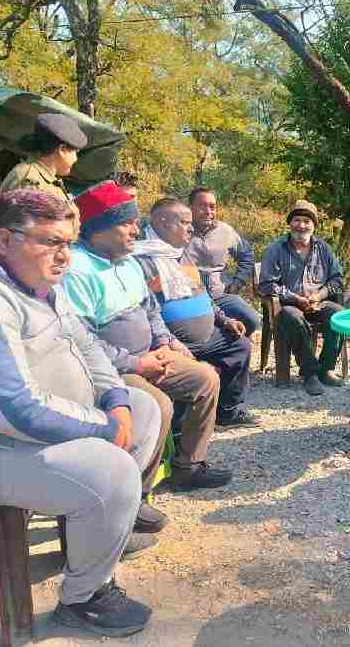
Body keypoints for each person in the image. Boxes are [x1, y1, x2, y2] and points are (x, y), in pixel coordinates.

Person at [0, 190, 160, 637]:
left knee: (143, 409)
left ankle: (89, 536)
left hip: (4, 434)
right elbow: (15, 409)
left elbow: (87, 345)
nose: (65, 256)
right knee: (112, 471)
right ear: (6, 240)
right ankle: (84, 598)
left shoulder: (33, 279)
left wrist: (116, 400)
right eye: (52, 242)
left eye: (69, 243)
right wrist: (104, 426)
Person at [62, 181, 233, 492]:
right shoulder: (78, 271)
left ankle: (189, 466)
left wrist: (166, 341)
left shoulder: (127, 262)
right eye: (127, 223)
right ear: (101, 229)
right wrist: (138, 364)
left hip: (152, 355)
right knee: (157, 405)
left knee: (206, 379)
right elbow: (83, 342)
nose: (136, 231)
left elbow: (151, 310)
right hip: (112, 369)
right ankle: (135, 494)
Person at [133, 198, 257, 427]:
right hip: (171, 342)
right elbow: (143, 312)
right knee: (185, 372)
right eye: (184, 222)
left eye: (190, 223)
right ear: (162, 222)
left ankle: (227, 412)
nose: (190, 228)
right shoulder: (140, 261)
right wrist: (169, 341)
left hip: (207, 337)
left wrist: (225, 319)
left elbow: (203, 296)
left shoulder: (182, 256)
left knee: (240, 346)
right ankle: (177, 428)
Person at [259, 199, 345, 396]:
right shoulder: (276, 249)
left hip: (317, 303)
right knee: (294, 317)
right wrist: (295, 299)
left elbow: (337, 279)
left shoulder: (323, 248)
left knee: (339, 316)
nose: (301, 225)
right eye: (297, 220)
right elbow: (266, 285)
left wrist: (319, 295)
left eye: (307, 221)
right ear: (290, 223)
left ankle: (325, 369)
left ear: (313, 225)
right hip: (288, 306)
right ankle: (310, 373)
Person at [183, 186, 261, 336]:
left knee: (252, 321)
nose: (208, 211)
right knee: (197, 330)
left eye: (212, 207)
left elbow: (246, 255)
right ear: (190, 208)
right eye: (202, 206)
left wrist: (237, 283)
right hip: (191, 297)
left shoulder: (225, 231)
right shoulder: (181, 230)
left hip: (220, 294)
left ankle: (229, 342)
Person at [0, 113, 86, 232]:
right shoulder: (31, 182)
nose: (75, 159)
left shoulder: (47, 179)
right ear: (62, 150)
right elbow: (23, 236)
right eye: (75, 152)